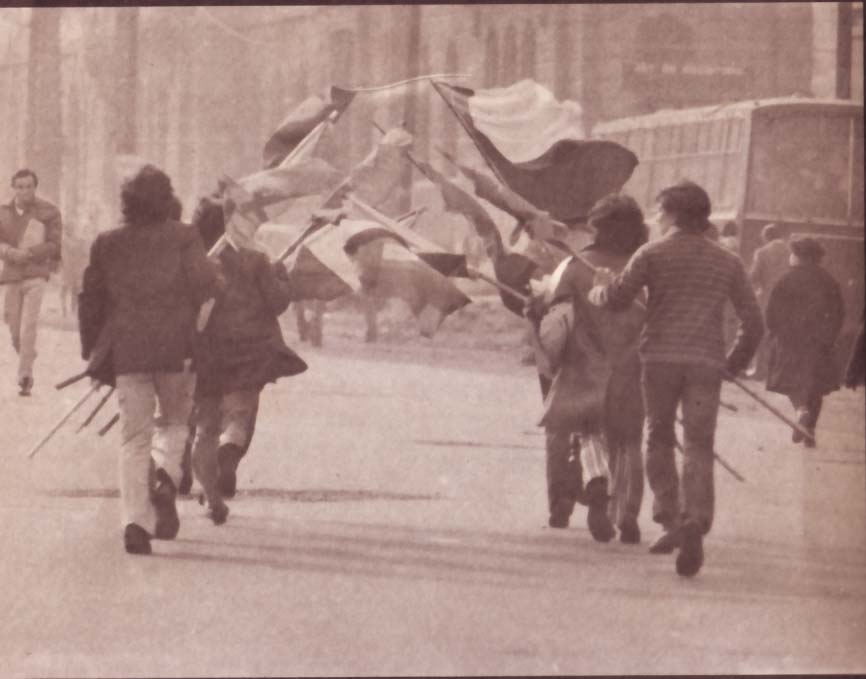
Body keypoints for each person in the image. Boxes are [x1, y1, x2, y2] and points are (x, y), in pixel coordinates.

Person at [588, 180, 763, 577]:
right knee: (700, 444)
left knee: (659, 435)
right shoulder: (727, 260)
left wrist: (599, 288)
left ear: (671, 214)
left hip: (660, 361)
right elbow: (754, 322)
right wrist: (734, 362)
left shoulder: (651, 253)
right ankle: (695, 520)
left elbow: (616, 300)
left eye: (659, 211)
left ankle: (670, 517)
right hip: (706, 363)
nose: (656, 218)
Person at [78, 165, 219, 555]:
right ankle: (166, 475)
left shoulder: (107, 242)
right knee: (175, 422)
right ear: (165, 199)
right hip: (178, 349)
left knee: (132, 437)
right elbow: (208, 284)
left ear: (126, 202)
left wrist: (91, 353)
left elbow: (90, 299)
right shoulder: (184, 236)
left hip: (128, 352)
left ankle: (135, 525)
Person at [528, 194, 648, 544]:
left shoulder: (576, 265)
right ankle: (626, 514)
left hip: (583, 361)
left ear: (598, 226)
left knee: (575, 432)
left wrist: (532, 305)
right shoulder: (645, 265)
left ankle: (578, 494)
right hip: (632, 364)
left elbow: (550, 306)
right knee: (628, 441)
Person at [189, 195, 307, 524]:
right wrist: (282, 275)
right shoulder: (254, 259)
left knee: (205, 425)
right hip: (249, 349)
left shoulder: (191, 260)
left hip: (206, 352)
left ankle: (211, 492)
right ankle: (229, 453)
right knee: (239, 415)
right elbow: (277, 301)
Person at [764, 237, 845, 447]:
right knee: (816, 387)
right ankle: (810, 432)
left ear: (799, 256)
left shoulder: (787, 279)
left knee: (791, 381)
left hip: (790, 341)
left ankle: (801, 411)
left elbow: (772, 310)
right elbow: (839, 313)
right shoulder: (829, 280)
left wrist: (775, 331)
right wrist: (830, 337)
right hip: (820, 343)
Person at [0, 169, 62, 396]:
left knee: (28, 327)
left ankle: (25, 375)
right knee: (14, 328)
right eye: (20, 186)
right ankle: (27, 353)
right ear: (13, 188)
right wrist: (8, 251)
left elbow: (55, 245)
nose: (24, 191)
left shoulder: (49, 212)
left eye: (29, 186)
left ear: (35, 187)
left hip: (36, 275)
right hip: (12, 277)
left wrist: (30, 252)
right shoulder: (3, 212)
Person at [748, 223, 790, 379]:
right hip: (789, 300)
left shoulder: (762, 252)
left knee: (764, 334)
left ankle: (760, 370)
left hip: (767, 299)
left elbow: (754, 276)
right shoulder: (791, 251)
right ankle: (780, 372)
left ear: (766, 237)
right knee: (783, 336)